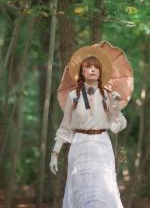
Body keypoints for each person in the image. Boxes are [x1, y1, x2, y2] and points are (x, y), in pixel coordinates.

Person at [49, 45, 127, 208]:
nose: (92, 70)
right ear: (82, 72)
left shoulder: (108, 96)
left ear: (100, 72)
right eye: (88, 67)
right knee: (80, 186)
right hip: (80, 145)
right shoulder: (73, 96)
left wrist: (116, 105)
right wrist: (54, 153)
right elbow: (65, 127)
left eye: (95, 67)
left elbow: (116, 126)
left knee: (103, 187)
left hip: (102, 145)